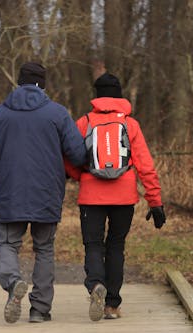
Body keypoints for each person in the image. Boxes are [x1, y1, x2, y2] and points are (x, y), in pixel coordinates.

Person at [0, 62, 87, 324]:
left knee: (8, 244)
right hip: (47, 193)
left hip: (10, 192)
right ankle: (40, 310)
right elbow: (79, 154)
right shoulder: (58, 114)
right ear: (43, 84)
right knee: (44, 248)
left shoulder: (0, 114)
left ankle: (14, 282)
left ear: (19, 82)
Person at [66, 73, 166, 321]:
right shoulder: (130, 125)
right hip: (124, 196)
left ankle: (96, 285)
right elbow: (145, 166)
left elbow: (69, 159)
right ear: (119, 94)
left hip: (91, 195)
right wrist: (155, 202)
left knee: (93, 244)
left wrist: (83, 176)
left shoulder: (84, 122)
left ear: (96, 95)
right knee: (116, 246)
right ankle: (111, 305)